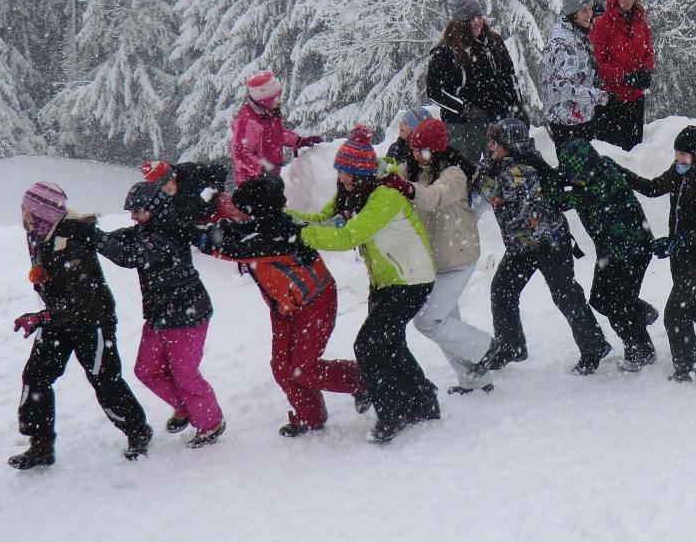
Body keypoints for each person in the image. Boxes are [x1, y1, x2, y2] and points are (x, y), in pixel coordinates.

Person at [288, 126, 440, 444]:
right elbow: (324, 221)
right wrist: (282, 218)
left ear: (361, 173)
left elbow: (348, 236)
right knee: (391, 344)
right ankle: (424, 400)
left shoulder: (385, 196)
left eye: (347, 172)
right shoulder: (353, 191)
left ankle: (393, 411)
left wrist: (301, 235)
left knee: (369, 345)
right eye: (339, 170)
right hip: (386, 281)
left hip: (411, 280)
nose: (341, 177)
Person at [191, 173, 365, 435]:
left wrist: (191, 235)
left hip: (315, 301)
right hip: (284, 307)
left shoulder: (278, 234)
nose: (234, 213)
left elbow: (232, 248)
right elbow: (233, 232)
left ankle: (365, 380)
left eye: (239, 209)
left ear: (256, 211)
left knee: (304, 369)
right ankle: (310, 416)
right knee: (282, 368)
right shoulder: (260, 225)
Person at [8, 182, 150, 470]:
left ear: (42, 212)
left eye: (27, 209)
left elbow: (83, 298)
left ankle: (138, 431)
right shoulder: (40, 233)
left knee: (105, 382)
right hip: (59, 319)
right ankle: (41, 445)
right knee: (36, 376)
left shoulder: (71, 239)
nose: (23, 215)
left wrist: (43, 317)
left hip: (92, 322)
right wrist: (46, 313)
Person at [88, 183, 226, 447]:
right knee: (147, 370)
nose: (133, 217)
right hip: (159, 315)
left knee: (185, 373)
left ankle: (211, 423)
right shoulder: (148, 228)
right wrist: (92, 236)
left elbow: (129, 256)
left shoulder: (168, 233)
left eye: (137, 211)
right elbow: (125, 238)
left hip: (186, 315)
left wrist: (95, 238)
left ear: (155, 209)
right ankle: (185, 406)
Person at [470, 118, 611, 376]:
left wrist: (476, 175)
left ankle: (594, 346)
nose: (490, 147)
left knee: (565, 294)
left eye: (496, 142)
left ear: (510, 146)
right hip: (522, 245)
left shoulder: (524, 171)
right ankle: (511, 346)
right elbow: (489, 170)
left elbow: (498, 194)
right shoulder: (501, 165)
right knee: (502, 291)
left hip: (550, 242)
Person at [620, 127, 696, 381]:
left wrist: (679, 241)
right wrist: (623, 173)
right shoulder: (678, 173)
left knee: (675, 312)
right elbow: (652, 187)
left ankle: (688, 367)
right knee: (693, 300)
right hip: (679, 254)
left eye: (684, 154)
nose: (679, 158)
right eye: (677, 152)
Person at [393, 118, 495, 395]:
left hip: (458, 257)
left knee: (428, 321)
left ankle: (486, 347)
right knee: (446, 322)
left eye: (422, 151)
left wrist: (406, 188)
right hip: (434, 260)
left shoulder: (454, 174)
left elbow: (432, 198)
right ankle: (473, 379)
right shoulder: (414, 168)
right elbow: (391, 176)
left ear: (437, 150)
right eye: (414, 150)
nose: (416, 156)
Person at [552, 139, 659, 372]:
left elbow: (557, 199)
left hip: (633, 252)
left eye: (574, 176)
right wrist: (562, 174)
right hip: (611, 252)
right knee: (600, 300)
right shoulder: (603, 164)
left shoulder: (594, 190)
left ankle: (641, 352)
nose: (572, 180)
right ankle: (642, 313)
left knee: (619, 307)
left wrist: (552, 178)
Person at [426, 0, 524, 160]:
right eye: (471, 19)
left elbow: (508, 76)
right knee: (464, 168)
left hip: (497, 118)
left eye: (479, 17)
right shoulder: (444, 52)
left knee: (501, 167)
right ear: (460, 24)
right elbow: (434, 91)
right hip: (461, 125)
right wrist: (465, 109)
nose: (477, 22)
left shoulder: (493, 42)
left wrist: (518, 106)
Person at [588, 0, 654, 150]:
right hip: (611, 100)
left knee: (634, 151)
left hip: (636, 98)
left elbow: (648, 52)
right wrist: (623, 76)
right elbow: (598, 63)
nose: (629, 0)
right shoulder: (602, 25)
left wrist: (645, 70)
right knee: (611, 153)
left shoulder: (640, 23)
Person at [543, 0, 607, 150]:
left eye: (590, 9)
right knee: (575, 165)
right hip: (567, 121)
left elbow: (579, 72)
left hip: (579, 117)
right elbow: (565, 87)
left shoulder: (576, 32)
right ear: (572, 13)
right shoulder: (563, 42)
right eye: (583, 11)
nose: (589, 14)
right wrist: (599, 97)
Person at [230, 70, 322, 185]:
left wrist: (298, 140)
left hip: (269, 177)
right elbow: (240, 153)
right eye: (275, 97)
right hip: (252, 181)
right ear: (264, 100)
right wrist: (262, 168)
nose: (279, 100)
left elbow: (275, 135)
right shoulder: (249, 121)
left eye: (279, 95)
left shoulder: (268, 113)